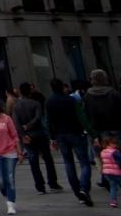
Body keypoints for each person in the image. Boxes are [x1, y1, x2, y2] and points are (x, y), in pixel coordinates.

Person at [47, 77, 96, 206]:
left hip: (60, 135)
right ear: (62, 87)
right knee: (84, 162)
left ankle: (78, 193)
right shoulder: (71, 100)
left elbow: (49, 121)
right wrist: (93, 134)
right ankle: (84, 188)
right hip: (75, 133)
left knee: (69, 163)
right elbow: (82, 118)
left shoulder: (49, 102)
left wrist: (52, 138)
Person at [11, 82, 58, 194]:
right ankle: (52, 183)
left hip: (27, 136)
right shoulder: (36, 103)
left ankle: (40, 186)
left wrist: (23, 134)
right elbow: (38, 117)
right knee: (47, 159)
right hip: (39, 134)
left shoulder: (16, 106)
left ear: (20, 91)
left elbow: (16, 122)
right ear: (30, 91)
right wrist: (29, 125)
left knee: (33, 161)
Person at [85, 69, 121, 144]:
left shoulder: (88, 95)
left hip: (98, 130)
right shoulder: (113, 93)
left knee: (103, 150)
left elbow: (86, 113)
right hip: (115, 128)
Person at [100, 134, 121, 208]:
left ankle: (113, 201)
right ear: (109, 144)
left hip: (107, 173)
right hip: (116, 172)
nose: (116, 145)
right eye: (114, 143)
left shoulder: (103, 152)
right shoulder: (115, 152)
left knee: (113, 187)